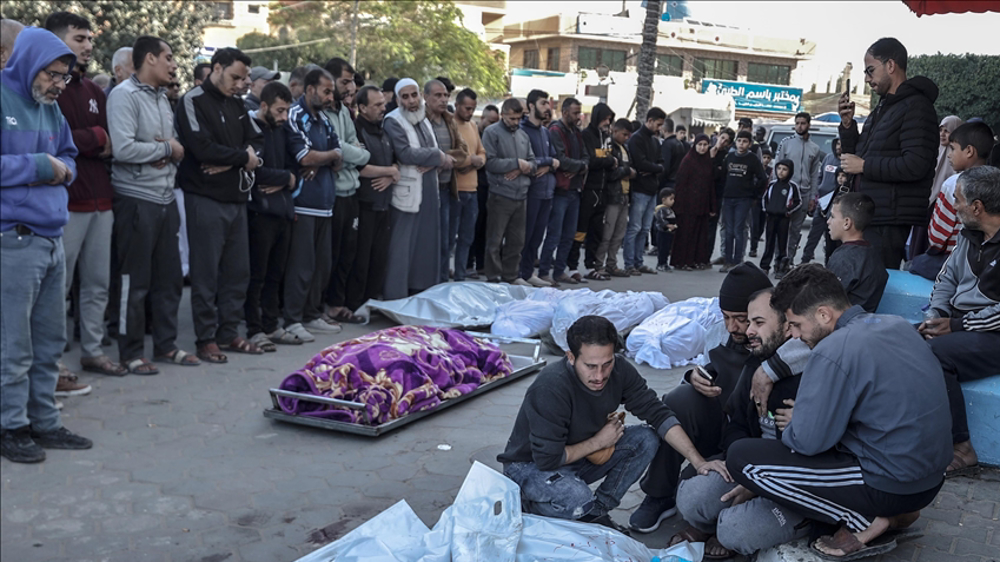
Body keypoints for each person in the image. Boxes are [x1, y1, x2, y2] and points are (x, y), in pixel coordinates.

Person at [728, 264, 951, 561]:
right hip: (933, 480)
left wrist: (800, 420)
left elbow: (807, 442)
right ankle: (890, 515)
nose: (793, 335)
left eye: (795, 324)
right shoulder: (896, 324)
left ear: (823, 314)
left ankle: (865, 519)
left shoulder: (831, 349)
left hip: (891, 484)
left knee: (742, 458)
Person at [498, 315, 732, 534]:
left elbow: (658, 414)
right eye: (590, 366)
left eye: (606, 364)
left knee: (646, 439)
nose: (600, 376)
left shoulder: (620, 370)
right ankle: (530, 510)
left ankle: (594, 514)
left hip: (578, 458)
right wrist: (599, 442)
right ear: (571, 357)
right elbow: (547, 458)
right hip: (530, 467)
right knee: (576, 497)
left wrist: (699, 461)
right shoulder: (550, 387)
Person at [631, 263, 807, 532]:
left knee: (706, 499)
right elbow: (706, 371)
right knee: (678, 399)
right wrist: (693, 376)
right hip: (728, 432)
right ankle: (659, 493)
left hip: (770, 445)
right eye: (725, 317)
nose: (734, 328)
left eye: (742, 318)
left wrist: (769, 370)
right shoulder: (718, 333)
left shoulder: (788, 344)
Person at [1, 26, 93, 463]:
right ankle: (11, 427)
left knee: (49, 342)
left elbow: (70, 157)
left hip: (51, 237)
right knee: (14, 346)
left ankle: (45, 422)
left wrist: (64, 171)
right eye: (53, 75)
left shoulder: (52, 111)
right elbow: (47, 162)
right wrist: (41, 165)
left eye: (65, 77)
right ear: (30, 64)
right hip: (12, 242)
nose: (59, 84)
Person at [672, 289, 808, 559]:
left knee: (736, 530)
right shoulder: (757, 365)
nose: (748, 331)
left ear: (787, 325)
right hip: (748, 467)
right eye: (750, 322)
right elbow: (736, 425)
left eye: (758, 323)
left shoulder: (812, 370)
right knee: (692, 498)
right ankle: (709, 525)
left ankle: (803, 527)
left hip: (791, 483)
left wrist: (760, 481)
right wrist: (740, 467)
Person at [107, 35, 198, 375]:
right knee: (134, 281)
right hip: (135, 200)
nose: (175, 64)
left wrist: (169, 151)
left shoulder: (163, 98)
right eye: (170, 57)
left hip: (165, 198)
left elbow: (173, 146)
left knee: (169, 279)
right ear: (149, 59)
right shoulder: (123, 96)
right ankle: (129, 352)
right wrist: (165, 150)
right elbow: (124, 150)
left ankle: (166, 346)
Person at [46, 11, 124, 379]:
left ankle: (92, 351)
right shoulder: (47, 87)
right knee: (56, 288)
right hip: (65, 202)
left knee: (97, 284)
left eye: (90, 39)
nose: (89, 46)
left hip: (101, 200)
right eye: (80, 39)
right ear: (57, 41)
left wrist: (90, 139)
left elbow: (112, 142)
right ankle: (53, 361)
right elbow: (55, 143)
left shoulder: (94, 91)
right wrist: (92, 138)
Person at [175, 47, 264, 362]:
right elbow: (201, 149)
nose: (240, 84)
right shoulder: (192, 101)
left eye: (244, 78)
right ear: (216, 68)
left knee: (237, 272)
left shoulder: (238, 104)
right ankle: (206, 338)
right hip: (205, 198)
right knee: (206, 273)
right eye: (235, 76)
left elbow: (257, 141)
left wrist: (234, 161)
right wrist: (242, 159)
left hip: (237, 200)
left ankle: (229, 333)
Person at [919, 165, 1000, 478]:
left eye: (958, 200)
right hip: (958, 324)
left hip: (992, 334)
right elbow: (946, 279)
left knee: (935, 355)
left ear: (977, 207)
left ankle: (962, 449)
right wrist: (936, 315)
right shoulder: (968, 235)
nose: (953, 206)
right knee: (897, 342)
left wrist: (956, 327)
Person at [839, 37, 940, 270]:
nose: (866, 78)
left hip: (888, 220)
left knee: (873, 291)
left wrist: (864, 166)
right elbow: (857, 155)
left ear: (891, 66)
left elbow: (916, 164)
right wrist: (847, 126)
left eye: (870, 70)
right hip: (870, 215)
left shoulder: (917, 106)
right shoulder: (886, 106)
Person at [282, 68, 343, 342]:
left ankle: (312, 314)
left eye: (332, 92)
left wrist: (326, 158)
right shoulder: (295, 115)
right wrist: (324, 158)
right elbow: (304, 157)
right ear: (309, 90)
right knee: (301, 266)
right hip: (303, 204)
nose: (331, 97)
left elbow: (339, 156)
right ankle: (293, 319)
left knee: (321, 265)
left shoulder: (325, 119)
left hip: (326, 203)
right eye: (326, 91)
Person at [382, 78, 452, 299]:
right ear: (397, 99)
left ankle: (419, 291)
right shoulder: (393, 121)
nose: (411, 101)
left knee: (426, 244)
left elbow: (431, 148)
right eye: (405, 97)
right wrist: (437, 157)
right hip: (408, 192)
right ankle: (396, 295)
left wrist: (434, 158)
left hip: (429, 188)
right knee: (402, 247)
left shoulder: (422, 118)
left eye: (414, 95)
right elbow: (405, 153)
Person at [243, 82, 299, 350]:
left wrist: (288, 178)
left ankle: (271, 324)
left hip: (284, 211)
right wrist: (285, 178)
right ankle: (254, 328)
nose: (284, 117)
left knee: (276, 274)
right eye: (279, 110)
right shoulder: (250, 128)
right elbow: (256, 171)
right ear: (263, 106)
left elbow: (295, 168)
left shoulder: (284, 129)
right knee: (258, 274)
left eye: (287, 110)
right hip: (260, 212)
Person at [320, 58, 371, 325]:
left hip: (351, 190)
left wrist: (350, 154)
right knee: (328, 253)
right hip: (332, 194)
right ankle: (320, 306)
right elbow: (335, 145)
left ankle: (337, 304)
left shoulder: (344, 112)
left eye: (351, 81)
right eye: (345, 81)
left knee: (347, 253)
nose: (350, 86)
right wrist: (353, 153)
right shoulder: (321, 112)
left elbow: (354, 148)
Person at [346, 85, 400, 313]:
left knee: (379, 258)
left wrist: (391, 173)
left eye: (383, 103)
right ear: (362, 107)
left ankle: (372, 300)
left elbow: (396, 163)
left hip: (384, 205)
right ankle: (354, 304)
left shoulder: (384, 131)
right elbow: (360, 167)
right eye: (377, 105)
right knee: (361, 258)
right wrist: (388, 172)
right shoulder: (356, 131)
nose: (383, 108)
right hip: (363, 205)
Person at [920, 121, 995, 280]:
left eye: (953, 149)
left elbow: (937, 238)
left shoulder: (953, 185)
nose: (949, 154)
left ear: (969, 151)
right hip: (987, 261)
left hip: (951, 260)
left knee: (913, 265)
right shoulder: (996, 181)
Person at [482, 98, 535, 285]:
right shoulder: (491, 133)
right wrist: (514, 163)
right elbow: (489, 162)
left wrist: (523, 167)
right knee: (495, 240)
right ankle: (493, 277)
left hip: (521, 195)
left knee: (517, 241)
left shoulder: (523, 135)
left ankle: (511, 276)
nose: (515, 123)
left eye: (518, 119)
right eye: (511, 118)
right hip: (500, 194)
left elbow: (533, 162)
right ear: (503, 114)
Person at [423, 79, 468, 284]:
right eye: (438, 95)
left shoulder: (449, 120)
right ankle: (426, 283)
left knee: (446, 242)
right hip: (425, 189)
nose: (443, 99)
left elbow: (463, 152)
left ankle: (441, 283)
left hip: (447, 189)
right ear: (426, 97)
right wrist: (437, 158)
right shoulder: (420, 120)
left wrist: (440, 158)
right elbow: (418, 154)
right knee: (428, 242)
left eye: (446, 96)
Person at [540, 98, 589, 285]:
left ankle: (559, 271)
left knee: (569, 235)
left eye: (579, 112)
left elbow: (586, 157)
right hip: (561, 189)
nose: (578, 116)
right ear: (565, 112)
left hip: (575, 189)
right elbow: (560, 159)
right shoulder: (555, 130)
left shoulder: (576, 132)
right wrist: (580, 166)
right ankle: (545, 271)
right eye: (575, 113)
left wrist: (579, 167)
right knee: (554, 234)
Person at [518, 89, 558, 286]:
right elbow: (527, 160)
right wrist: (549, 161)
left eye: (548, 103)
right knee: (524, 235)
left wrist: (549, 163)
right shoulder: (522, 130)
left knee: (537, 236)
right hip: (530, 191)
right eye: (543, 103)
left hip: (547, 191)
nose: (547, 107)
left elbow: (555, 158)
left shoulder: (545, 131)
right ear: (531, 106)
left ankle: (528, 272)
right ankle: (518, 273)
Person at [572, 102, 616, 280]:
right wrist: (609, 161)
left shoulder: (607, 137)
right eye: (605, 119)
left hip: (603, 190)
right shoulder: (586, 135)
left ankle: (590, 266)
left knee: (596, 231)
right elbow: (591, 160)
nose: (607, 123)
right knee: (580, 230)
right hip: (588, 189)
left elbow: (611, 159)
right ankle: (572, 265)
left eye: (610, 120)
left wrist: (608, 160)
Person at [910, 115, 964, 259]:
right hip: (926, 202)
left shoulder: (959, 159)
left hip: (945, 206)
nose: (943, 134)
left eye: (947, 131)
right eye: (941, 130)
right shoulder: (933, 151)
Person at [826, 193, 888, 312]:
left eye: (832, 217)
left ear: (847, 223)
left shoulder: (844, 259)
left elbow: (826, 302)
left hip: (842, 326)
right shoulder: (872, 254)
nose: (828, 221)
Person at [623, 107, 666, 276]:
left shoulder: (655, 141)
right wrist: (654, 168)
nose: (660, 128)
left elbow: (662, 164)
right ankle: (629, 263)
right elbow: (640, 164)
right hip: (640, 189)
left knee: (645, 228)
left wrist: (653, 168)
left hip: (652, 189)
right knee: (634, 227)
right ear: (649, 121)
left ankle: (638, 262)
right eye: (658, 124)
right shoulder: (636, 139)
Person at [774, 112, 821, 264]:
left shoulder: (814, 148)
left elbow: (814, 175)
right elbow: (777, 169)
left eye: (803, 123)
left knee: (795, 230)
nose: (799, 126)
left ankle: (788, 261)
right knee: (782, 230)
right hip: (785, 193)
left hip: (804, 194)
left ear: (809, 125)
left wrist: (813, 197)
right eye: (797, 123)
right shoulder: (786, 144)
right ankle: (778, 260)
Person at [720, 129, 769, 272]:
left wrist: (754, 195)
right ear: (735, 142)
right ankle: (727, 261)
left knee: (738, 230)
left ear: (749, 144)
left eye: (745, 141)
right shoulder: (729, 157)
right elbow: (723, 176)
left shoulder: (752, 159)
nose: (741, 144)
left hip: (744, 199)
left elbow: (762, 178)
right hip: (728, 198)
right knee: (728, 230)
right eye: (739, 141)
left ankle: (737, 261)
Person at [451, 88, 486, 282]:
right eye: (467, 108)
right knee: (449, 240)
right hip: (456, 190)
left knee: (467, 238)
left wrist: (477, 160)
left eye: (473, 108)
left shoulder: (473, 125)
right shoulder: (449, 125)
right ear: (456, 105)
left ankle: (460, 275)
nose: (470, 112)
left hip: (472, 190)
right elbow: (452, 156)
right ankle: (442, 277)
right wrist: (470, 161)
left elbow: (482, 152)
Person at [594, 118, 634, 278]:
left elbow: (630, 168)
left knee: (619, 234)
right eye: (624, 134)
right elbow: (610, 173)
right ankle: (599, 264)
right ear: (615, 131)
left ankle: (612, 264)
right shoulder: (609, 146)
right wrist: (626, 171)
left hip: (624, 195)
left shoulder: (624, 148)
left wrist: (627, 170)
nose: (626, 137)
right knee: (607, 233)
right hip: (612, 196)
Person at [670, 135, 716, 271]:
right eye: (700, 144)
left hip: (702, 205)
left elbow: (710, 184)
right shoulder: (688, 161)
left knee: (699, 234)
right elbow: (680, 184)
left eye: (705, 145)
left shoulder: (707, 161)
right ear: (694, 145)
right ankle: (682, 261)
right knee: (686, 233)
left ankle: (695, 260)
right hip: (687, 205)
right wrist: (679, 205)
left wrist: (712, 205)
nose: (702, 148)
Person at [468, 104, 501, 276]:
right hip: (476, 185)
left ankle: (480, 264)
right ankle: (468, 264)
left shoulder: (495, 136)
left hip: (491, 186)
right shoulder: (475, 133)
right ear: (482, 119)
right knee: (473, 226)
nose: (493, 125)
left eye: (496, 121)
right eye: (490, 121)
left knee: (485, 229)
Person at [801, 138, 842, 265]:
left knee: (831, 240)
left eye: (842, 144)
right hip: (822, 203)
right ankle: (804, 261)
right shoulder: (828, 158)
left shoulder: (847, 162)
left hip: (837, 205)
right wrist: (816, 193)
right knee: (813, 235)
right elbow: (819, 177)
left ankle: (829, 265)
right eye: (838, 143)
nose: (839, 146)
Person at [760, 160, 802, 277]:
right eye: (779, 169)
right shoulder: (772, 184)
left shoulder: (792, 186)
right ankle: (764, 266)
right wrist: (766, 209)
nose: (781, 172)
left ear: (790, 172)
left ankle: (781, 266)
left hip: (784, 219)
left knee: (782, 243)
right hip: (771, 218)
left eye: (784, 169)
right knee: (769, 243)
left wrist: (787, 211)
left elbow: (798, 202)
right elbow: (765, 198)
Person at [708, 128, 735, 267]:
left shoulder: (725, 157)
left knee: (712, 226)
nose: (722, 141)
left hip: (717, 195)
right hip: (702, 194)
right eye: (722, 137)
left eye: (726, 140)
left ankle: (707, 257)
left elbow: (718, 176)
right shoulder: (705, 149)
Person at [748, 148, 773, 258]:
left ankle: (757, 238)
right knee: (755, 224)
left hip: (766, 201)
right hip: (756, 200)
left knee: (762, 224)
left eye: (768, 158)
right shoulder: (755, 169)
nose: (766, 160)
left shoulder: (771, 171)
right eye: (764, 157)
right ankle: (753, 248)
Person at [653, 187, 677, 272]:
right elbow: (660, 218)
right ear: (663, 199)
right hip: (662, 231)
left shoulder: (669, 209)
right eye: (671, 199)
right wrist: (667, 225)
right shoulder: (661, 209)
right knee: (662, 249)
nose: (673, 201)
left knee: (667, 249)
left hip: (668, 232)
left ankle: (665, 263)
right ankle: (661, 264)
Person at [659, 118, 686, 188]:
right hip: (678, 181)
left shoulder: (667, 145)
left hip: (668, 183)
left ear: (664, 129)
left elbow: (665, 167)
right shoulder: (680, 143)